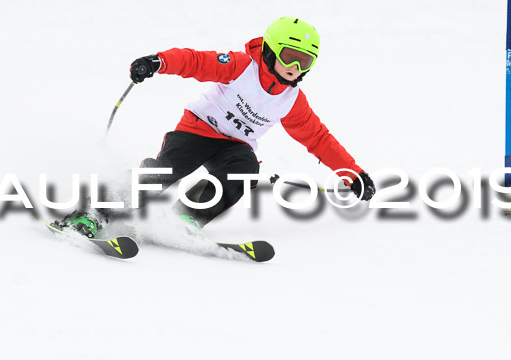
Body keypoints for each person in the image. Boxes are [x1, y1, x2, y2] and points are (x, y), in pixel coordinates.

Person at [57, 16, 376, 237]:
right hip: (197, 130)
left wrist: (354, 173)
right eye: (290, 56)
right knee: (165, 172)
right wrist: (158, 62)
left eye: (304, 62)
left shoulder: (291, 100)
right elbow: (197, 61)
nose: (294, 68)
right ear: (270, 48)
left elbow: (318, 138)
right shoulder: (241, 68)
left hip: (234, 147)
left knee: (245, 169)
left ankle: (186, 218)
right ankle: (92, 212)